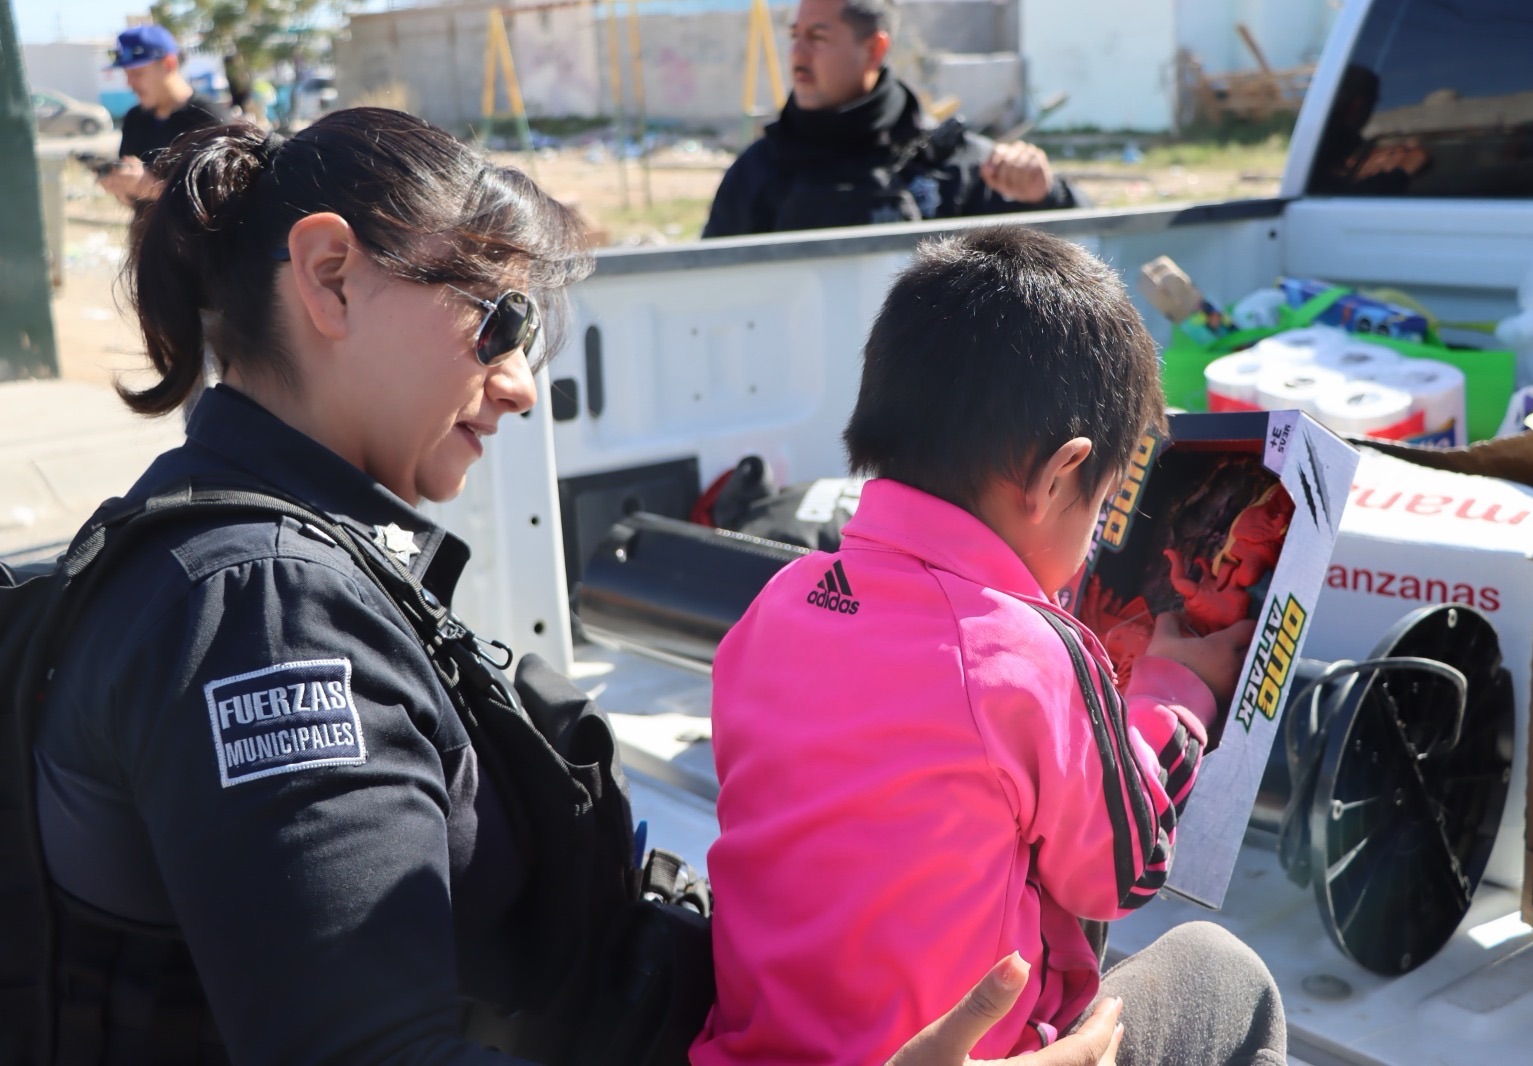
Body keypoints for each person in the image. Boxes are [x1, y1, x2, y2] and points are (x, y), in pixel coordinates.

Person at [27, 108, 1131, 1065]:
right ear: (329, 278)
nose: (517, 384)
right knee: (1206, 980)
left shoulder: (268, 556)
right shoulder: (265, 615)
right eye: (497, 321)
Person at [694, 227, 1286, 1064]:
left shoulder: (777, 604)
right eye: (1105, 502)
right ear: (1057, 477)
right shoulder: (1030, 654)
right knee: (1224, 975)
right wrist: (1170, 693)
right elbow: (1125, 874)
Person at [702, 0, 1084, 238]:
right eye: (795, 35)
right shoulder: (756, 174)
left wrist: (1044, 195)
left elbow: (1092, 249)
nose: (798, 54)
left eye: (818, 37)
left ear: (874, 49)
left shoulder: (955, 166)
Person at [98, 24, 230, 206]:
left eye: (137, 73)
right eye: (126, 74)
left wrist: (153, 188)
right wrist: (121, 185)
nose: (130, 84)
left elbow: (227, 202)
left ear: (169, 64)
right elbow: (135, 201)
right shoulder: (135, 118)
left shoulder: (210, 119)